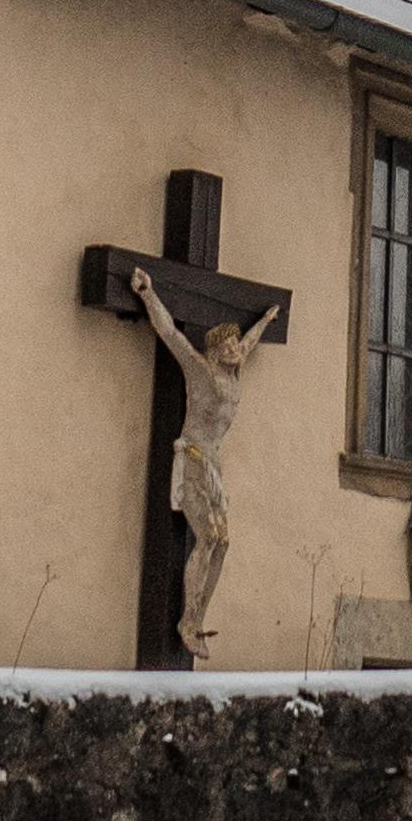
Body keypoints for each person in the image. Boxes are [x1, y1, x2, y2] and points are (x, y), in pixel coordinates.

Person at [128, 263, 248, 656]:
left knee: (224, 542)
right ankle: (187, 619)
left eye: (238, 344)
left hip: (213, 466)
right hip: (194, 458)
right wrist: (148, 292)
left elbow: (254, 342)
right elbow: (170, 333)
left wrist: (265, 318)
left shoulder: (233, 380)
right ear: (215, 349)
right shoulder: (200, 370)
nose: (238, 348)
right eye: (230, 345)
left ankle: (197, 617)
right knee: (209, 536)